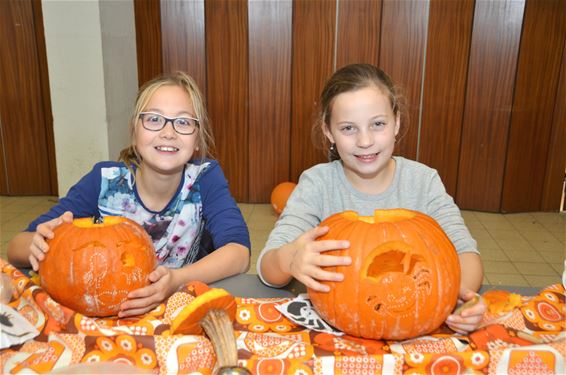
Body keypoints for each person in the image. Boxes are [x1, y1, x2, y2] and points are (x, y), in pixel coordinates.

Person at [257, 63, 485, 334]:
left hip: (415, 324)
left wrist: (461, 298)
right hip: (339, 330)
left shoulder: (423, 182)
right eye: (348, 128)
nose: (365, 141)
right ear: (328, 131)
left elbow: (466, 254)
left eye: (377, 124)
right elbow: (266, 268)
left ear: (396, 122)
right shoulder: (317, 184)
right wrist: (287, 259)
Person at [7, 71, 250, 318]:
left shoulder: (205, 178)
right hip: (106, 313)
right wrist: (37, 245)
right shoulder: (103, 181)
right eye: (154, 119)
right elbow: (16, 247)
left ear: (197, 138)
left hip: (177, 309)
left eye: (183, 122)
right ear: (134, 131)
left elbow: (239, 253)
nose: (168, 132)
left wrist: (178, 279)